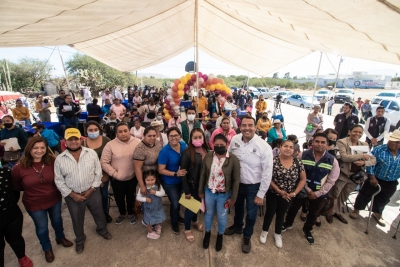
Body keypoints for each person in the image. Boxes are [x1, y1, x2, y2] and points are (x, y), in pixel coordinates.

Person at [11, 137, 73, 262]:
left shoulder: (53, 161)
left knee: (57, 220)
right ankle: (47, 248)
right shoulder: (18, 168)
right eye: (35, 148)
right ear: (29, 149)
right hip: (34, 203)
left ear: (46, 148)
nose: (39, 150)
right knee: (42, 226)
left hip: (54, 198)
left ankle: (60, 237)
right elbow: (17, 186)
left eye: (42, 148)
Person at [54, 128, 112, 254]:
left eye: (76, 139)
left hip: (92, 191)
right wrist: (72, 195)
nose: (73, 142)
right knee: (76, 218)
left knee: (99, 213)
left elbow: (98, 173)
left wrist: (92, 189)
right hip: (72, 195)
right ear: (65, 142)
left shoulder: (91, 153)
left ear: (81, 140)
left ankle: (102, 230)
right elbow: (58, 180)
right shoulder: (59, 159)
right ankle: (80, 239)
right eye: (70, 139)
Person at [224, 116, 273, 253]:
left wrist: (261, 194)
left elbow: (267, 173)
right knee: (238, 208)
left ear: (255, 127)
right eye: (244, 125)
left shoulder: (264, 147)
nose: (247, 128)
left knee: (251, 214)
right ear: (240, 127)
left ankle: (247, 236)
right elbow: (229, 159)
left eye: (250, 125)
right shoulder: (235, 140)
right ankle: (237, 227)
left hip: (254, 186)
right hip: (237, 184)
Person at [283, 133, 340, 245]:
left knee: (314, 213)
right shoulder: (302, 155)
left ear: (327, 144)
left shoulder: (333, 161)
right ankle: (288, 223)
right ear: (312, 142)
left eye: (323, 142)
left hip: (319, 194)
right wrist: (307, 189)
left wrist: (318, 193)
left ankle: (307, 230)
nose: (319, 144)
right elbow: (296, 174)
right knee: (293, 207)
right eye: (317, 141)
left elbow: (331, 181)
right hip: (301, 189)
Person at [260, 140, 306, 248]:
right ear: (280, 147)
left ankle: (277, 234)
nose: (288, 149)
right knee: (269, 213)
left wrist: (294, 193)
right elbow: (268, 178)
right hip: (273, 193)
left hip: (289, 195)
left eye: (291, 147)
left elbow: (303, 180)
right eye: (285, 146)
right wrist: (279, 191)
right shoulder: (273, 161)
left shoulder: (298, 162)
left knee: (281, 214)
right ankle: (264, 231)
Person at [326, 125, 375, 224]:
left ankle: (337, 212)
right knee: (335, 194)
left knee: (344, 195)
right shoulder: (342, 142)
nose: (357, 134)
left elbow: (373, 160)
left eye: (360, 132)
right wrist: (361, 155)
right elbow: (344, 157)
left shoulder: (364, 144)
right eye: (355, 131)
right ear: (349, 131)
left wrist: (364, 163)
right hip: (343, 174)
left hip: (355, 176)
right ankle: (329, 212)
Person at [350, 130, 400, 226]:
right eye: (390, 140)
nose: (390, 142)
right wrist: (371, 176)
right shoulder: (379, 149)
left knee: (384, 198)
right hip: (375, 177)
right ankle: (356, 209)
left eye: (394, 141)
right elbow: (369, 163)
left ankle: (377, 213)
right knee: (365, 194)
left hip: (391, 181)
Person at [199, 134, 240, 252]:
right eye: (216, 145)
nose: (219, 147)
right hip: (209, 192)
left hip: (224, 194)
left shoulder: (233, 159)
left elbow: (236, 180)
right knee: (209, 213)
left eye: (222, 145)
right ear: (213, 145)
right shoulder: (209, 156)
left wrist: (233, 198)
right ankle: (207, 233)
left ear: (227, 145)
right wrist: (201, 190)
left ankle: (220, 235)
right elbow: (203, 174)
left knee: (222, 216)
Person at [101, 122, 141, 225]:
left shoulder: (137, 142)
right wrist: (114, 174)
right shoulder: (110, 145)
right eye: (120, 132)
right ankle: (122, 213)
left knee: (131, 196)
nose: (123, 134)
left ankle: (131, 213)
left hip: (132, 177)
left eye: (125, 131)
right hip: (117, 178)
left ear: (129, 131)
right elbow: (104, 162)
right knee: (119, 197)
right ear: (116, 133)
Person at [1, 163, 33, 267]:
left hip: (11, 213)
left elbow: (15, 191)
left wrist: (10, 205)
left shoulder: (6, 173)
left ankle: (22, 257)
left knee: (16, 238)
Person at [180, 128, 209, 243]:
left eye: (200, 137)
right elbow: (183, 173)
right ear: (191, 139)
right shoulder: (187, 153)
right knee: (191, 208)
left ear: (203, 138)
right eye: (195, 138)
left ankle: (195, 221)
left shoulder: (207, 150)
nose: (198, 139)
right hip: (192, 186)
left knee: (197, 206)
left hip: (204, 185)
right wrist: (187, 190)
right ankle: (187, 229)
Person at [158, 127, 188, 234]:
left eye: (176, 135)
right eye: (171, 136)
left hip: (182, 181)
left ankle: (178, 216)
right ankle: (174, 221)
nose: (174, 138)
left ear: (180, 136)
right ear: (168, 137)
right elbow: (161, 170)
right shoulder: (164, 151)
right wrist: (176, 173)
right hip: (170, 182)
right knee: (175, 203)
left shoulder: (184, 146)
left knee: (180, 200)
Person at [82, 121, 112, 223]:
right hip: (90, 175)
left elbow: (111, 158)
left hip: (104, 173)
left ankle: (105, 212)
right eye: (90, 130)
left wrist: (105, 176)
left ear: (99, 130)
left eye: (95, 130)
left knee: (103, 195)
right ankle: (98, 215)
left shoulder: (106, 140)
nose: (93, 132)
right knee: (94, 197)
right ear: (86, 131)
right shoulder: (83, 143)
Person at [133, 126, 163, 199]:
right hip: (146, 177)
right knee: (147, 197)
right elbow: (137, 169)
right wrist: (142, 186)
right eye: (149, 136)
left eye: (154, 135)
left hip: (156, 175)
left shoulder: (157, 143)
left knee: (156, 196)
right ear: (144, 136)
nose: (152, 138)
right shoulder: (140, 149)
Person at [136, 170, 166, 239]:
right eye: (148, 180)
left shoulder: (158, 186)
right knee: (149, 220)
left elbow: (163, 193)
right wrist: (145, 199)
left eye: (152, 179)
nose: (150, 182)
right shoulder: (143, 188)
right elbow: (138, 197)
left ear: (156, 179)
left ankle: (157, 225)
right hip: (148, 208)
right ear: (144, 180)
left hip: (158, 207)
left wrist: (156, 192)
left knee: (158, 216)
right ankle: (150, 232)